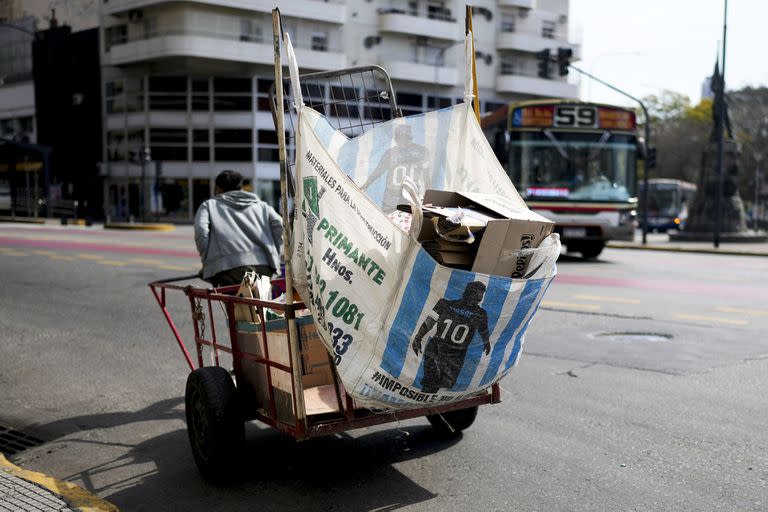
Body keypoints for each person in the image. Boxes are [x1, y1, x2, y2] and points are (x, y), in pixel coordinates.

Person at [194, 170, 283, 287]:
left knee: (236, 303)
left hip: (229, 268)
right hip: (265, 266)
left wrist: (208, 263)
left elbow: (201, 232)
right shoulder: (262, 206)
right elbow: (279, 225)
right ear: (241, 186)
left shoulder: (209, 205)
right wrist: (274, 254)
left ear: (219, 188)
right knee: (259, 303)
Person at [411, 281, 490, 394]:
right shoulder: (445, 304)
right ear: (467, 293)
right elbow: (430, 322)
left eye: (479, 297)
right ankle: (422, 405)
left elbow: (483, 330)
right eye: (475, 295)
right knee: (431, 382)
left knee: (442, 384)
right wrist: (418, 337)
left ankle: (426, 405)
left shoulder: (480, 314)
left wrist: (486, 342)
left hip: (456, 355)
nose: (478, 299)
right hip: (437, 349)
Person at [361, 123, 430, 213]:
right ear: (396, 139)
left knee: (408, 221)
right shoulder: (390, 153)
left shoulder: (421, 152)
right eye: (401, 137)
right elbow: (378, 171)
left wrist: (428, 197)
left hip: (410, 197)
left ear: (410, 138)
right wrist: (365, 186)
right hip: (392, 197)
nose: (404, 140)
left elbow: (426, 177)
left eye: (406, 137)